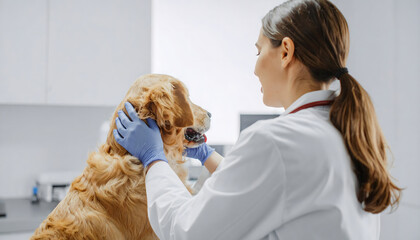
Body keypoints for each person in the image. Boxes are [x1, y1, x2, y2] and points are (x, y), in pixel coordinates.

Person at [113, 0, 401, 239]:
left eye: (259, 50)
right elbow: (272, 189)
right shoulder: (347, 132)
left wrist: (153, 159)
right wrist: (207, 156)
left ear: (285, 51)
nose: (254, 68)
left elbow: (186, 230)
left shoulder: (275, 141)